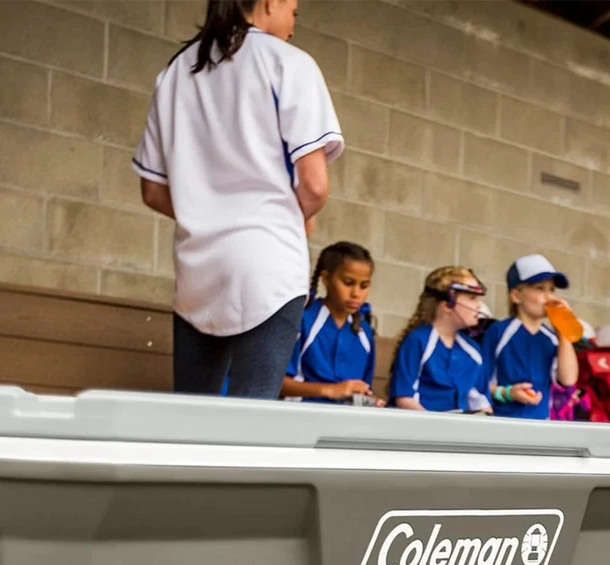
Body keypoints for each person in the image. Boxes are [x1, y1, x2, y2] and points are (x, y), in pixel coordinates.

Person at [132, 0, 343, 399]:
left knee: (193, 418)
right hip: (269, 263)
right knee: (253, 419)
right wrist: (293, 215)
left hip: (197, 270)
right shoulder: (290, 63)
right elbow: (315, 186)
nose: (293, 25)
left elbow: (153, 190)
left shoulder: (175, 71)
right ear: (271, 2)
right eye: (294, 12)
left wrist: (207, 212)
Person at [281, 241, 383, 405]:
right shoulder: (303, 319)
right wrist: (329, 390)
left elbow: (364, 388)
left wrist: (372, 401)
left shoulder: (364, 332)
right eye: (348, 283)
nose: (356, 293)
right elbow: (276, 383)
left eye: (364, 286)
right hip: (300, 415)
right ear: (326, 279)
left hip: (346, 419)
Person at [487, 254, 580, 419]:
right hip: (503, 420)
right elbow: (477, 385)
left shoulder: (551, 338)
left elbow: (568, 379)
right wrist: (508, 393)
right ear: (516, 296)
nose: (549, 297)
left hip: (540, 421)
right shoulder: (499, 331)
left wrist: (563, 331)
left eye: (551, 290)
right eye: (540, 288)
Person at [388, 266, 492, 413]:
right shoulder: (418, 340)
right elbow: (404, 398)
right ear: (447, 305)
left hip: (457, 425)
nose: (478, 306)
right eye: (472, 298)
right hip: (418, 424)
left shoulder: (473, 350)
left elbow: (480, 401)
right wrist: (435, 425)